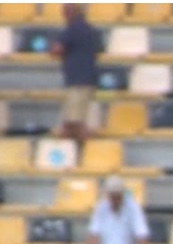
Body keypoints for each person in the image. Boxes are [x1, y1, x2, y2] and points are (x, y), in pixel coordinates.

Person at [50, 4, 101, 152]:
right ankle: (72, 154)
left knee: (75, 123)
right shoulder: (91, 30)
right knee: (72, 121)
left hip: (76, 81)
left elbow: (56, 50)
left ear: (68, 14)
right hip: (89, 78)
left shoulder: (72, 30)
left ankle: (88, 154)